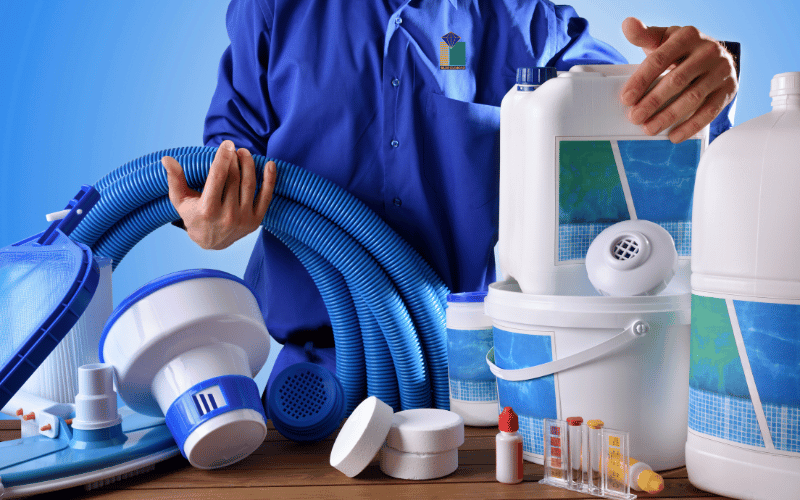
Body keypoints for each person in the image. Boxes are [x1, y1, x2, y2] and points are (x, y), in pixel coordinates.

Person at [161, 1, 738, 383]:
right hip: (318, 379)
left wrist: (700, 82)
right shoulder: (273, 9)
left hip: (478, 371)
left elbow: (636, 110)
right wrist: (211, 214)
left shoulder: (522, 15)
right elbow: (222, 162)